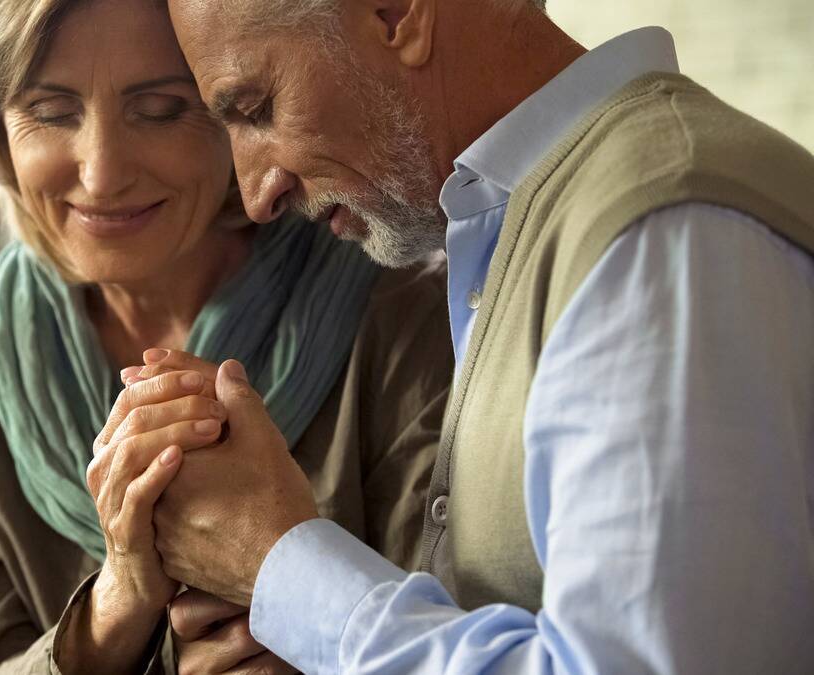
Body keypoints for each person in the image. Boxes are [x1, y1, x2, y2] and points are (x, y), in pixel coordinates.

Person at [97, 0, 814, 672]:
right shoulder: (515, 234)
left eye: (256, 109)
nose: (257, 194)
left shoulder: (660, 236)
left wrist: (280, 563)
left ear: (396, 13)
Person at [0, 0, 453, 673]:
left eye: (160, 109)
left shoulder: (404, 311)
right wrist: (118, 601)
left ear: (239, 115)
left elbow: (460, 638)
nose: (102, 174)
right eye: (49, 111)